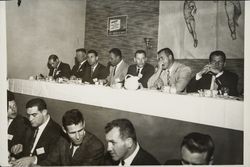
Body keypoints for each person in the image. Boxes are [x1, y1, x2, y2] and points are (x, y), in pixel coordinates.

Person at [36, 109, 104, 166]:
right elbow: (50, 161)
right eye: (72, 133)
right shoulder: (62, 140)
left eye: (80, 130)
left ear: (84, 124)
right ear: (64, 130)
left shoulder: (96, 146)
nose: (77, 137)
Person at [11, 98, 63, 167]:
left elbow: (54, 160)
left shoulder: (56, 132)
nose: (30, 119)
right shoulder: (30, 125)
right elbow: (25, 146)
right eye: (28, 115)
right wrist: (19, 146)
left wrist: (34, 159)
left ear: (44, 112)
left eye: (34, 115)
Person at [7, 91, 31, 159]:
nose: (13, 110)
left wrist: (15, 148)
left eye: (14, 105)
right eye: (9, 107)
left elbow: (23, 142)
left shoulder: (23, 122)